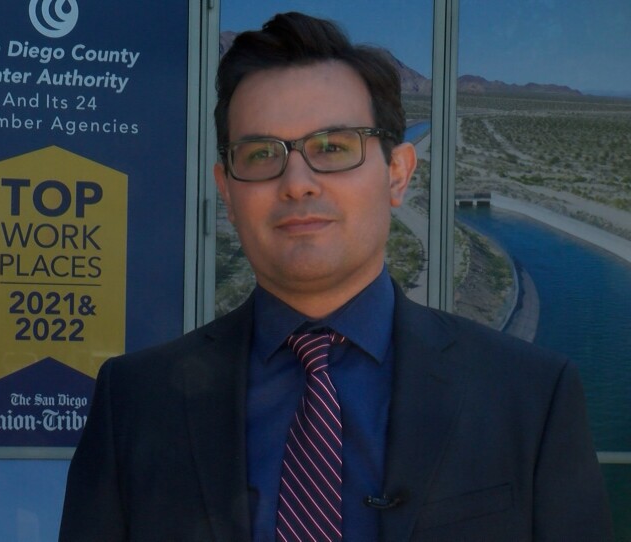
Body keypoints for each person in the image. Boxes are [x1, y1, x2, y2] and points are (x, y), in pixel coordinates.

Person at [59, 11, 613, 541]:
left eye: (332, 147)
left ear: (397, 174)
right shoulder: (135, 404)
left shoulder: (530, 397)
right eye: (261, 155)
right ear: (226, 190)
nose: (297, 182)